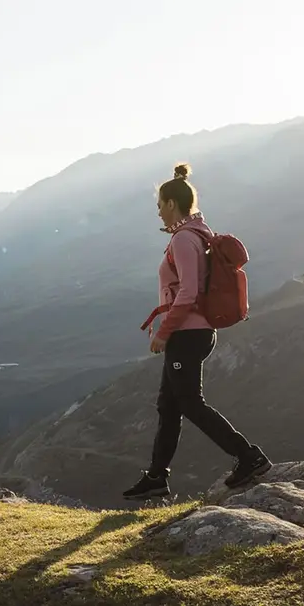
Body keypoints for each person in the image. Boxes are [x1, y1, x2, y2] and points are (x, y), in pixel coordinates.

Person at [123, 164, 271, 501]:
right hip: (195, 332)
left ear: (171, 204)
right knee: (169, 405)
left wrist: (164, 332)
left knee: (190, 403)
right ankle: (156, 477)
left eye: (159, 205)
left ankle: (249, 456)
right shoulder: (199, 233)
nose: (158, 212)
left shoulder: (183, 240)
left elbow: (188, 292)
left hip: (187, 334)